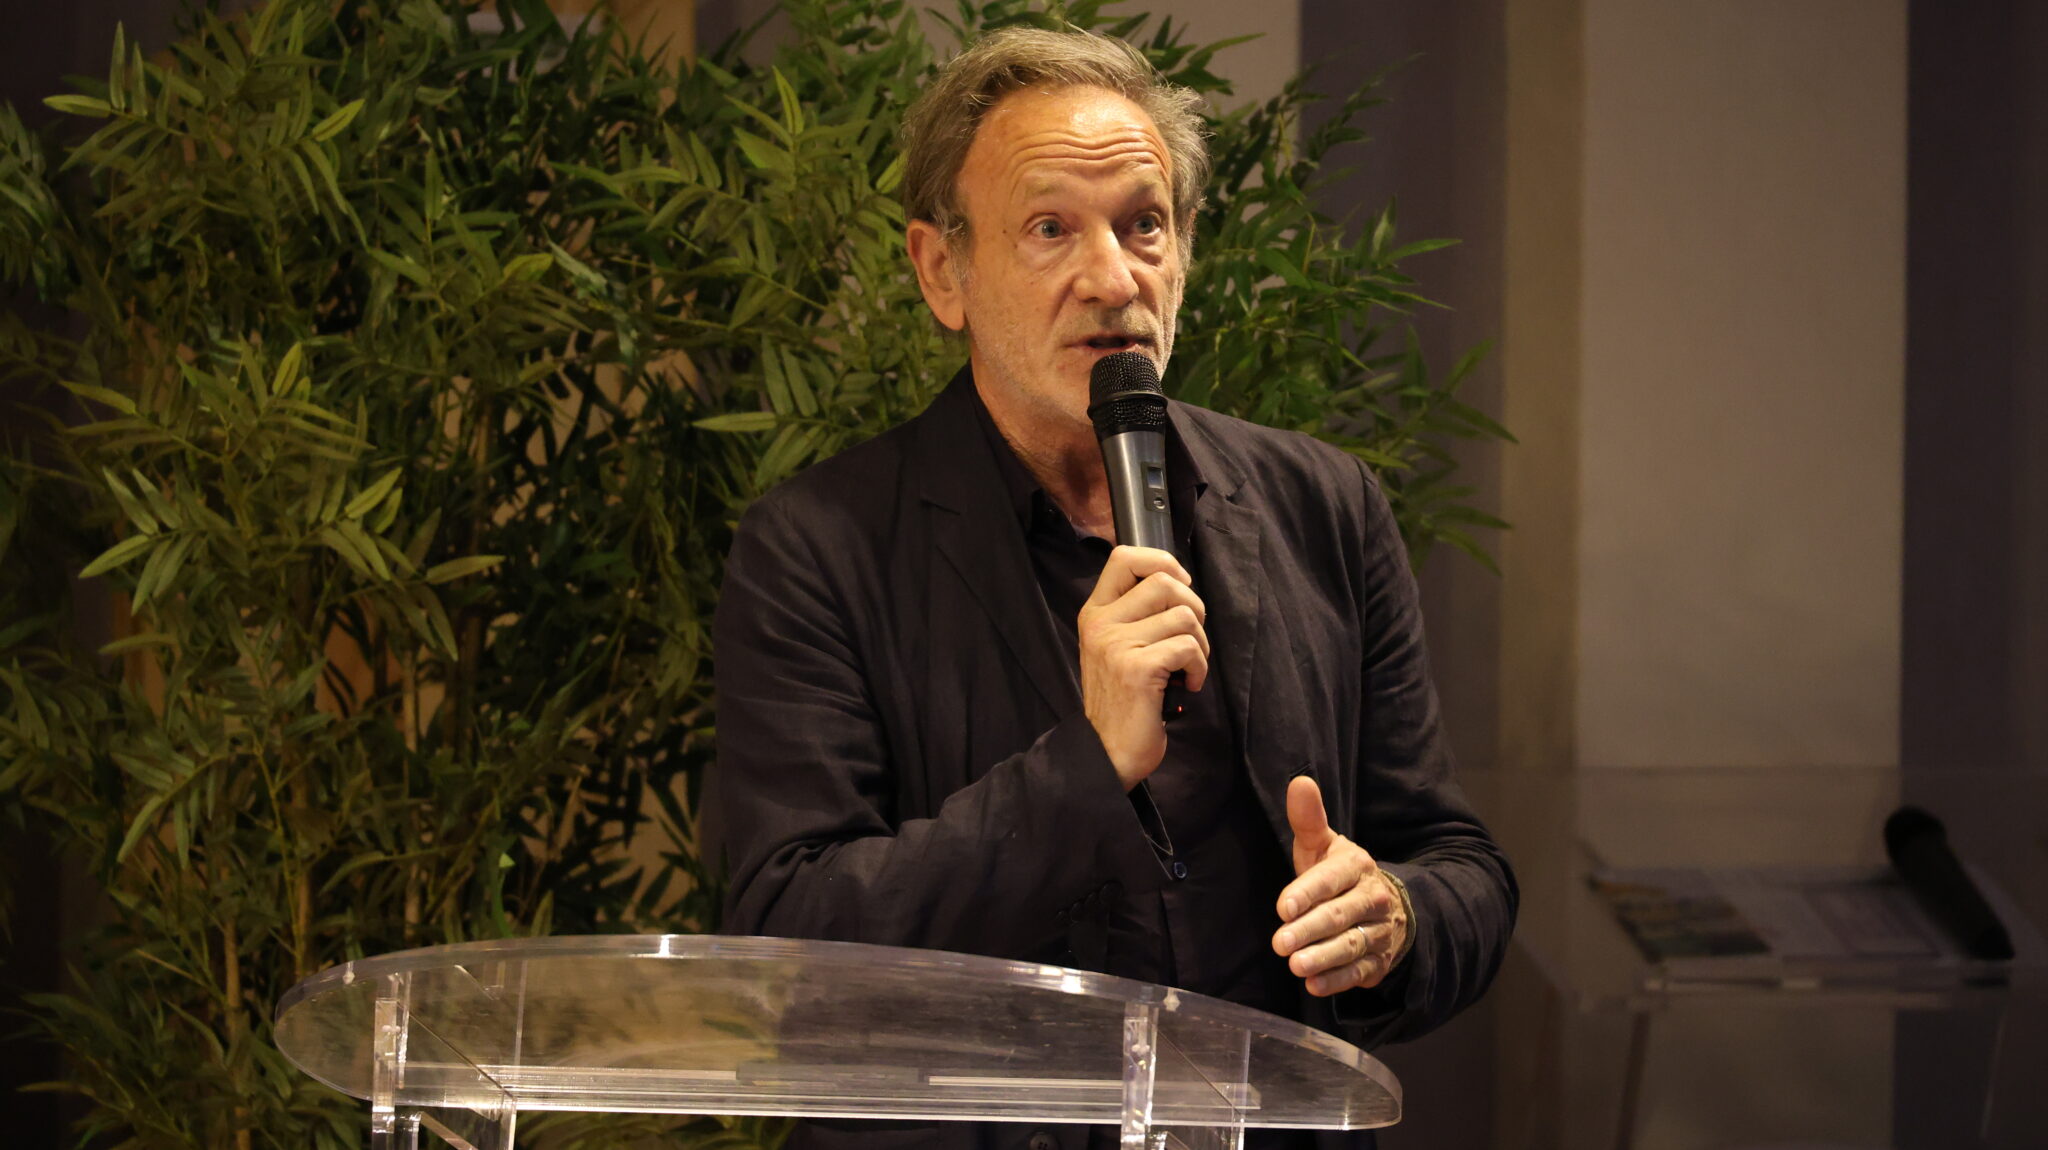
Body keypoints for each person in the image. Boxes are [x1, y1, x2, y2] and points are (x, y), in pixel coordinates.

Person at [709, 25, 1517, 1150]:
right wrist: (1083, 766)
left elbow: (1462, 867)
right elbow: (787, 946)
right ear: (941, 271)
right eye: (1050, 229)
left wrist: (1397, 916)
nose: (1112, 277)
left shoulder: (1322, 505)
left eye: (1144, 224)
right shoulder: (816, 548)